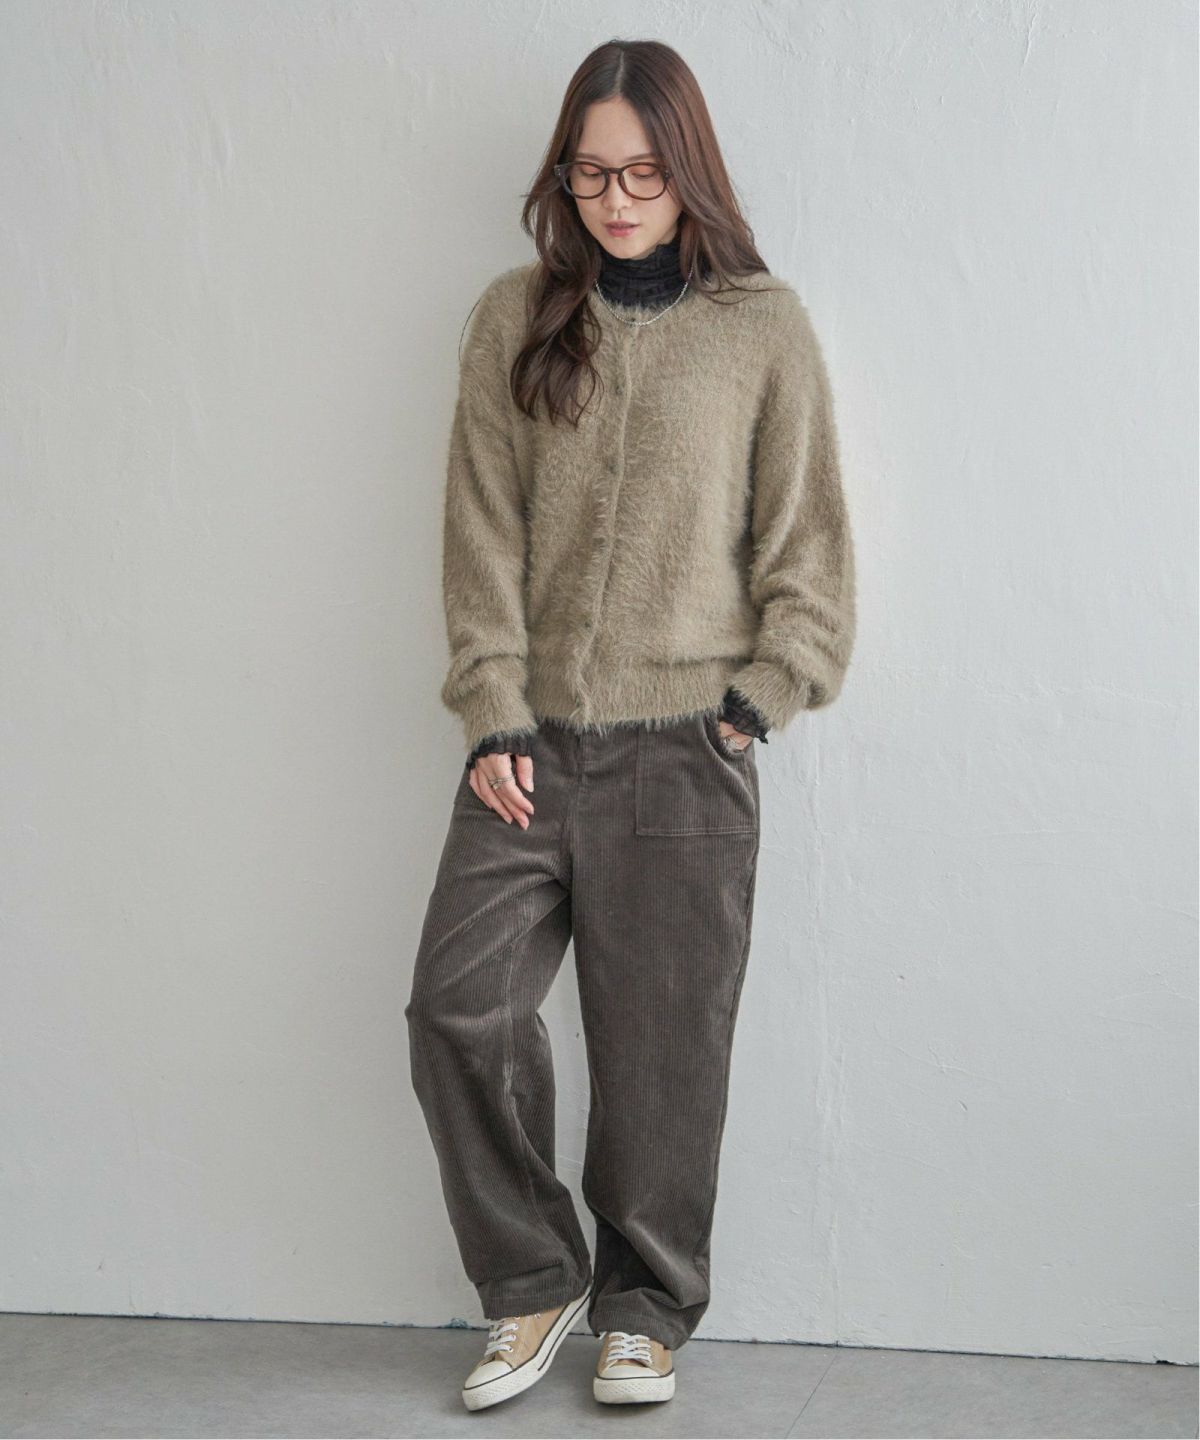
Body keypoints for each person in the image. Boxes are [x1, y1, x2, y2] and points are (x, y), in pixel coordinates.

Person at [404, 37, 856, 1413]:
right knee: (458, 1008)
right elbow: (480, 533)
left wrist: (758, 703)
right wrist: (492, 712)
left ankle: (646, 1308)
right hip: (527, 750)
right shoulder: (514, 318)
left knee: (662, 1057)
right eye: (590, 174)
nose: (614, 200)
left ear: (688, 171)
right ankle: (534, 1282)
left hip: (687, 751)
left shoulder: (762, 329)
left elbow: (809, 553)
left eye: (643, 173)